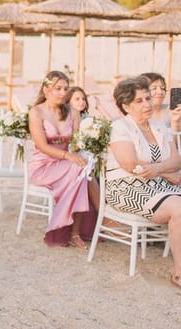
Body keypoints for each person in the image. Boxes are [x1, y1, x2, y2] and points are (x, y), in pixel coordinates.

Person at [106, 76, 181, 288]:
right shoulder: (120, 128)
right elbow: (131, 164)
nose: (147, 104)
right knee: (180, 209)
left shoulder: (160, 127)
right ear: (126, 106)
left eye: (147, 98)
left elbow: (177, 160)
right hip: (127, 187)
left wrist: (158, 169)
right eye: (139, 101)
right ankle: (178, 273)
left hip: (159, 185)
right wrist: (167, 173)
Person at [28, 71, 98, 248]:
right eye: (57, 88)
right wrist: (68, 156)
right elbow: (42, 145)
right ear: (46, 89)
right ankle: (68, 231)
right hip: (43, 165)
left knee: (83, 169)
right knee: (79, 170)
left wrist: (86, 144)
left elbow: (76, 143)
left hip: (67, 163)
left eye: (65, 89)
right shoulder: (36, 112)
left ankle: (75, 232)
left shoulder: (73, 112)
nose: (62, 93)